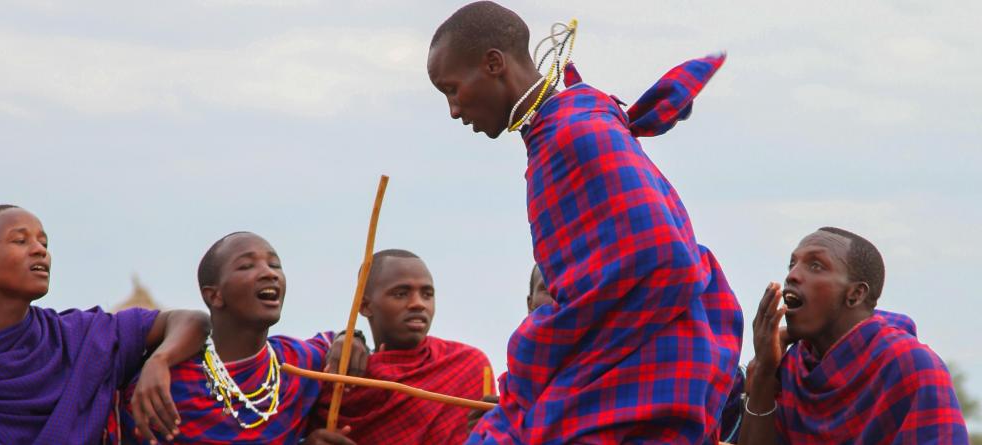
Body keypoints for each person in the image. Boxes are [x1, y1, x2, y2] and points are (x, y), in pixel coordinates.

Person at [427, 2, 743, 443]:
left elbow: (666, 258)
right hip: (625, 369)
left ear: (494, 64)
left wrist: (542, 337)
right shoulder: (558, 132)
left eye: (453, 89)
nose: (454, 111)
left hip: (641, 378)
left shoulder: (576, 133)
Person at [0, 204, 210, 445]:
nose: (39, 250)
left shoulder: (77, 336)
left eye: (44, 243)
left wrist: (160, 360)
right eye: (20, 241)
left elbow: (193, 321)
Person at [118, 232, 366, 445]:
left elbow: (335, 344)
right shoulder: (167, 386)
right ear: (214, 296)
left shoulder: (297, 362)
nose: (269, 273)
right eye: (247, 266)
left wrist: (352, 338)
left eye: (275, 265)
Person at [739, 227, 969, 444]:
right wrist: (763, 372)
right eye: (792, 264)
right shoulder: (792, 366)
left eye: (816, 266)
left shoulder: (912, 365)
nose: (792, 275)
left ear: (856, 294)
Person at [312, 249, 494, 445]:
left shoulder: (466, 365)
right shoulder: (337, 373)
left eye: (427, 294)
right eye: (401, 294)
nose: (418, 304)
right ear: (364, 305)